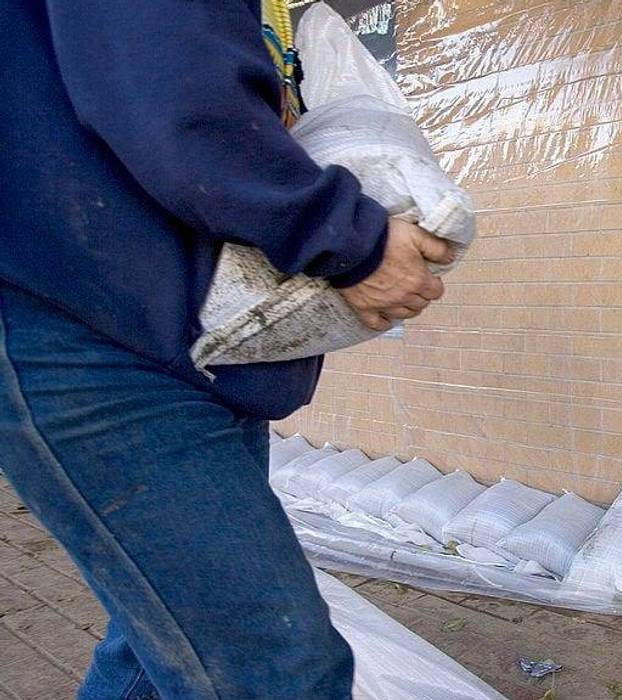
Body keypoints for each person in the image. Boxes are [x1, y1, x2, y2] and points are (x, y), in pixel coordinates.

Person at [0, 2, 449, 697]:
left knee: (160, 646)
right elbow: (175, 86)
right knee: (274, 668)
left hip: (180, 334)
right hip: (86, 328)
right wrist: (347, 240)